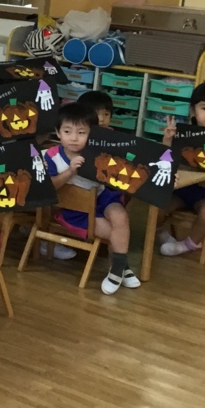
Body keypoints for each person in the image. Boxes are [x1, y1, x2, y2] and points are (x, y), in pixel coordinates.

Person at [43, 102, 139, 295]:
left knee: (120, 217)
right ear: (58, 132)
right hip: (75, 210)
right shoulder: (51, 156)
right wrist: (70, 171)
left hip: (102, 197)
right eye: (67, 132)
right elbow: (50, 187)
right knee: (113, 232)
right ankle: (122, 267)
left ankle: (117, 270)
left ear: (93, 134)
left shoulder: (98, 151)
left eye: (82, 133)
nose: (74, 138)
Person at [158, 83, 205, 257]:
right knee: (157, 205)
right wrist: (167, 140)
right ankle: (160, 233)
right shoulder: (183, 135)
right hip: (183, 190)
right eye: (204, 108)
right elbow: (165, 160)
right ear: (193, 111)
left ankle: (188, 245)